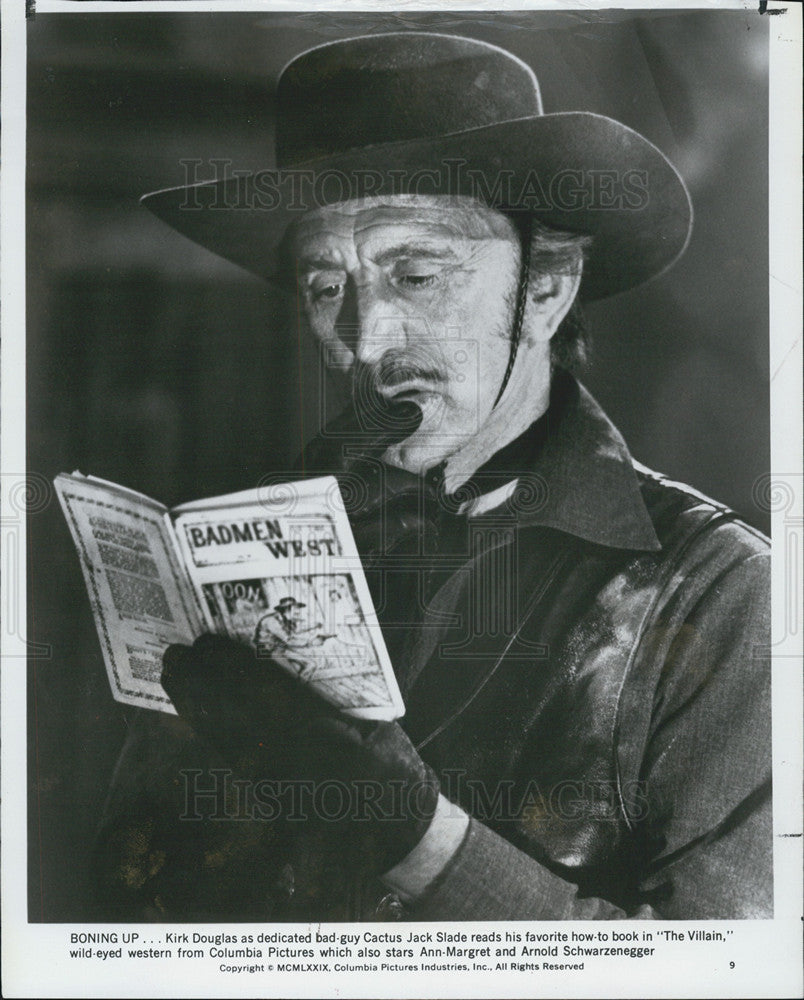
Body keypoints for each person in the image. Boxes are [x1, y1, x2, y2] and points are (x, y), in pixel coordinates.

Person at [95, 31, 771, 921]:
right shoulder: (235, 555)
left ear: (547, 288)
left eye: (415, 273)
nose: (365, 344)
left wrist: (414, 839)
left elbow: (718, 974)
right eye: (326, 286)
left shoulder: (720, 593)